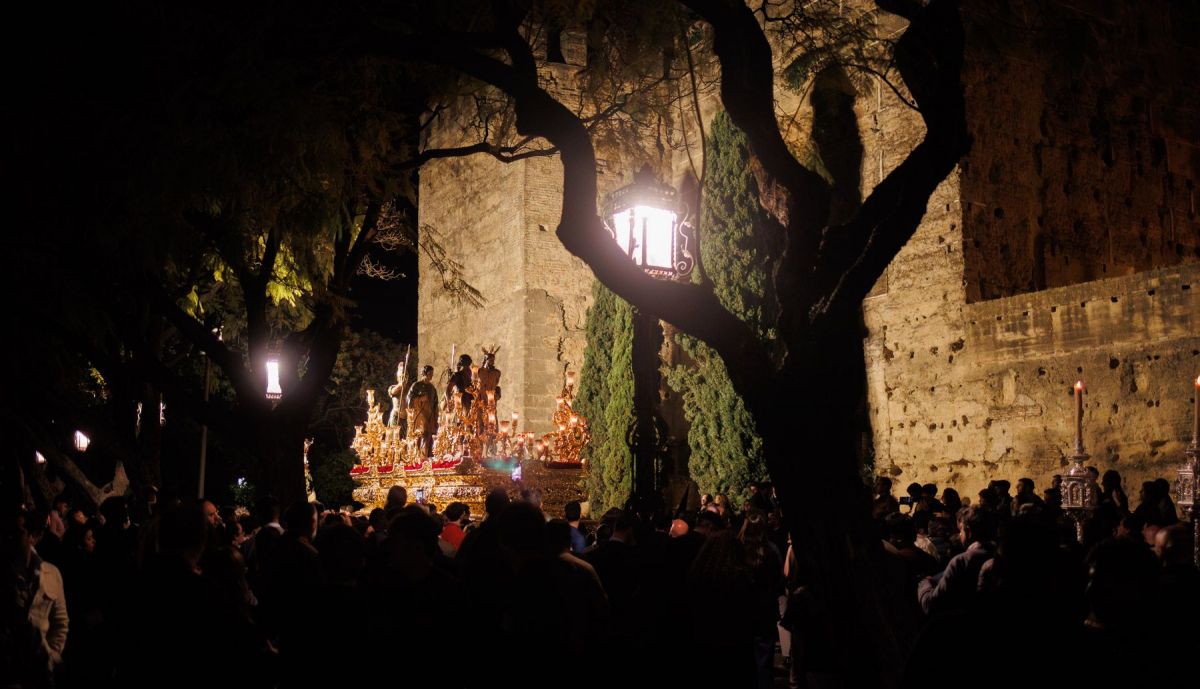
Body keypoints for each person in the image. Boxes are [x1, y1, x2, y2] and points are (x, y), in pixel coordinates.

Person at [2, 510, 69, 687]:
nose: (10, 538)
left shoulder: (51, 574)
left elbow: (60, 622)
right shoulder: (6, 574)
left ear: (34, 536)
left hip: (40, 672)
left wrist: (51, 657)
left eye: (18, 532)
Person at [917, 507, 997, 615]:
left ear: (968, 531)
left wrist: (924, 583)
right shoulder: (999, 556)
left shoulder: (961, 561)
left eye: (961, 530)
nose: (960, 534)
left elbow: (931, 604)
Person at [405, 365, 439, 456]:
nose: (431, 376)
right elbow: (409, 399)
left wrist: (435, 416)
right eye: (429, 373)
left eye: (432, 374)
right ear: (424, 373)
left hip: (429, 415)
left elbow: (435, 403)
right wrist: (420, 399)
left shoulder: (432, 388)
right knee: (421, 433)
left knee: (428, 435)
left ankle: (424, 456)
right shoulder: (416, 385)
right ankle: (418, 456)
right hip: (419, 414)